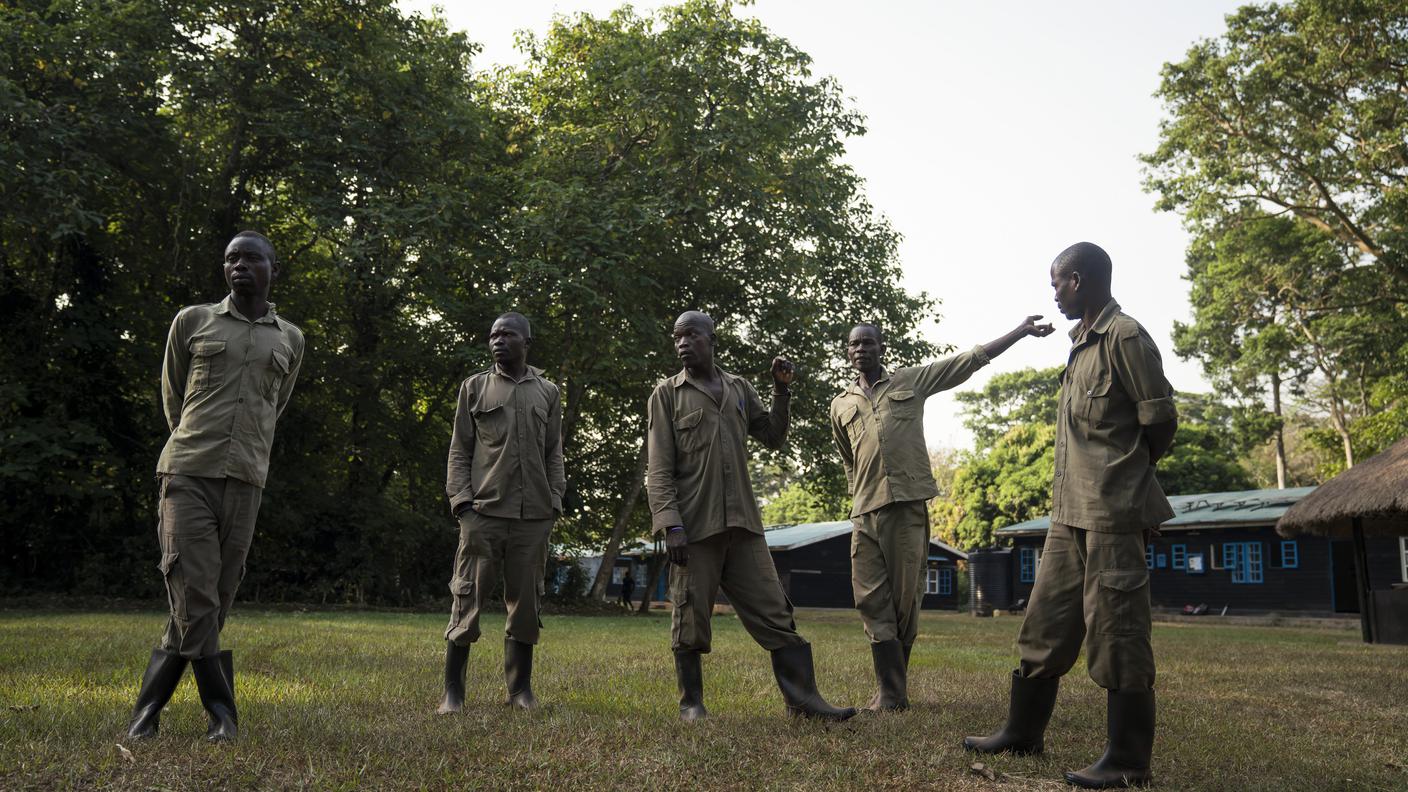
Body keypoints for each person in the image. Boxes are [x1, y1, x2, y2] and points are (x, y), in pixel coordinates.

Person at [963, 242, 1177, 789]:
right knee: (1044, 626)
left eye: (1056, 283)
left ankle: (1128, 762)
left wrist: (1130, 480)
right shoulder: (1080, 343)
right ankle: (1022, 733)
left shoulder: (1125, 336)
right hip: (1068, 515)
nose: (1053, 293)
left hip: (1110, 514)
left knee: (1117, 634)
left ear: (1078, 280)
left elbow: (1159, 420)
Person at [127, 231, 305, 742]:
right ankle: (222, 715)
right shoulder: (192, 321)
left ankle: (147, 712)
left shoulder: (289, 338)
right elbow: (172, 397)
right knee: (198, 595)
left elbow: (277, 405)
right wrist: (191, 444)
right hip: (187, 472)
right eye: (231, 258)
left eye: (251, 258)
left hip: (247, 479)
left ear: (274, 267)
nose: (239, 266)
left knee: (211, 600)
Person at [830, 316, 1052, 711]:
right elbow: (848, 460)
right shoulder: (840, 405)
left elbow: (968, 361)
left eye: (868, 343)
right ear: (847, 353)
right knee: (868, 599)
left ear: (882, 348)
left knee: (903, 601)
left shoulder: (910, 382)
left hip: (906, 507)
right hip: (864, 512)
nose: (860, 349)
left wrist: (1019, 332)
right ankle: (890, 692)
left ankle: (892, 695)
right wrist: (854, 498)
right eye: (854, 344)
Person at [646, 311, 855, 722]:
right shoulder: (667, 394)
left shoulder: (738, 389)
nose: (683, 343)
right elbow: (659, 467)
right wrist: (670, 524)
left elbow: (773, 435)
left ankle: (804, 703)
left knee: (776, 610)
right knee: (690, 616)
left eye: (692, 335)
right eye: (677, 337)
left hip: (743, 526)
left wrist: (781, 390)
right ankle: (691, 704)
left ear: (711, 338)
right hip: (694, 527)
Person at [438, 312, 565, 713]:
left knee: (526, 605)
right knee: (467, 601)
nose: (497, 340)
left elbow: (554, 453)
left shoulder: (547, 392)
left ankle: (519, 692)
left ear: (526, 341)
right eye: (493, 334)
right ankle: (453, 694)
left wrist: (555, 499)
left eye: (507, 334)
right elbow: (459, 449)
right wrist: (462, 502)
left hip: (533, 518)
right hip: (483, 514)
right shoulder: (474, 388)